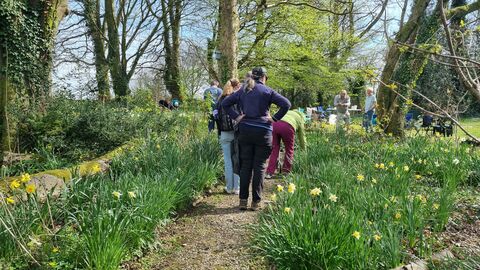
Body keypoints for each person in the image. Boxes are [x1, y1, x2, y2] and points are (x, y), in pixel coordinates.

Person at [222, 67, 291, 211]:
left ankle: (242, 201)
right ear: (264, 77)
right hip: (263, 133)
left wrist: (237, 116)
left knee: (246, 166)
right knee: (259, 167)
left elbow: (225, 104)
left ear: (252, 77)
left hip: (245, 131)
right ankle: (256, 202)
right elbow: (286, 104)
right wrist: (274, 118)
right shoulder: (267, 91)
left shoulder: (243, 90)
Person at [215, 79, 242, 195]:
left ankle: (229, 187)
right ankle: (237, 188)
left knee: (227, 161)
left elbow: (216, 117)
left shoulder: (220, 100)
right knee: (237, 159)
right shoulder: (237, 99)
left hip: (224, 133)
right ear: (237, 86)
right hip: (236, 133)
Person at [266, 110, 306, 179]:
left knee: (274, 149)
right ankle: (286, 172)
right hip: (288, 127)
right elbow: (301, 137)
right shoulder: (300, 118)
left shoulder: (288, 111)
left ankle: (269, 173)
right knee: (289, 149)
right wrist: (304, 149)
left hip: (274, 125)